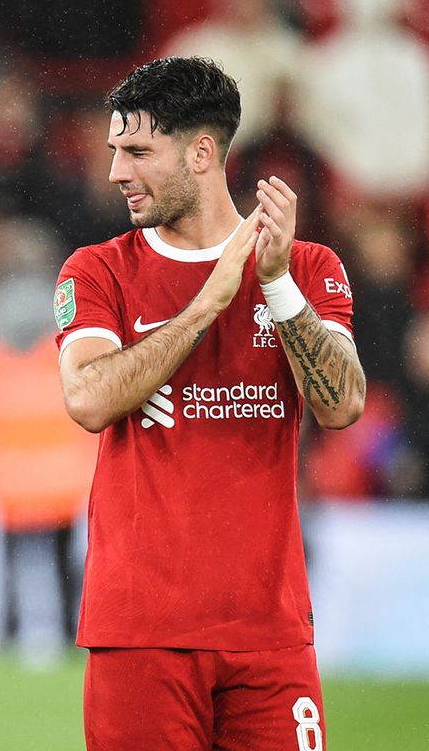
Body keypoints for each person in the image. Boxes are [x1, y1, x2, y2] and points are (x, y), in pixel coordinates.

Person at [55, 57, 366, 749]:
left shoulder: (311, 266)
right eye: (114, 151)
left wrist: (277, 285)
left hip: (271, 634)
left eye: (136, 151)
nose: (115, 172)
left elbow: (342, 404)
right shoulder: (98, 270)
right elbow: (88, 398)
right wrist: (209, 303)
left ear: (201, 153)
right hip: (141, 634)